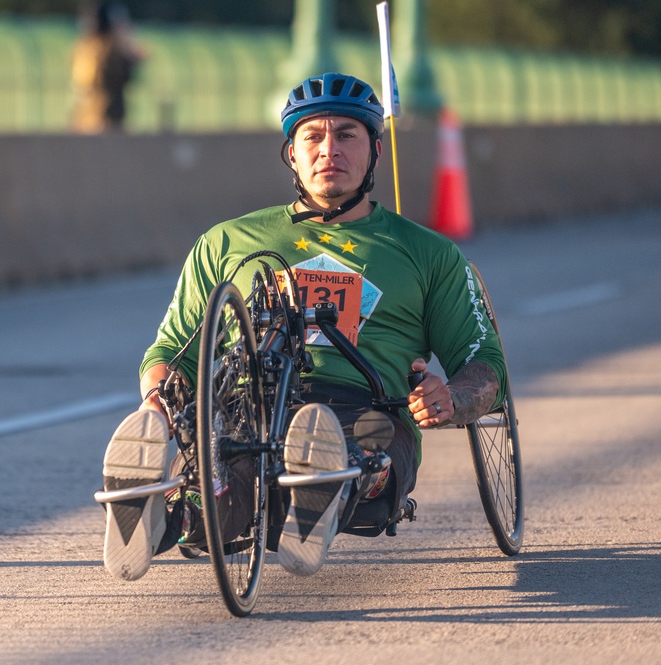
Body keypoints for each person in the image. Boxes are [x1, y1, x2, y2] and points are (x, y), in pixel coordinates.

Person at [101, 72, 507, 580]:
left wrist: (452, 398)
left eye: (346, 135)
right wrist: (158, 400)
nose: (328, 150)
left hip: (365, 406)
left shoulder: (428, 254)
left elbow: (486, 366)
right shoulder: (226, 243)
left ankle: (327, 486)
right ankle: (155, 514)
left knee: (364, 448)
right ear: (290, 154)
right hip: (254, 405)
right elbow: (170, 351)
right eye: (312, 137)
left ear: (375, 151)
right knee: (227, 485)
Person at [71, 2, 142, 133]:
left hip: (88, 114)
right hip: (106, 116)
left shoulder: (85, 48)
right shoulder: (111, 50)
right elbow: (124, 76)